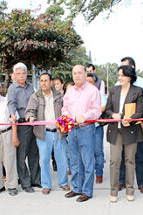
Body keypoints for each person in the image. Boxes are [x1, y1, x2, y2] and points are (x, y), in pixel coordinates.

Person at [25, 73, 70, 195]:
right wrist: (30, 117)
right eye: (41, 81)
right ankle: (46, 185)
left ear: (51, 82)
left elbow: (67, 110)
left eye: (46, 81)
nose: (43, 83)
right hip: (43, 133)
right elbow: (29, 110)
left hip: (58, 133)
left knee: (61, 160)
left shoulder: (60, 96)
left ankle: (63, 183)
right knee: (44, 160)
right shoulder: (35, 96)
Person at [105, 65, 143, 202]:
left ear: (130, 77)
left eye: (122, 75)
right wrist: (113, 115)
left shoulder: (138, 91)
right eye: (119, 75)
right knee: (114, 161)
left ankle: (130, 190)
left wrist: (131, 118)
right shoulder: (113, 90)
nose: (119, 78)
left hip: (130, 130)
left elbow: (140, 111)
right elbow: (107, 110)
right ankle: (113, 191)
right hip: (116, 130)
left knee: (130, 161)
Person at [62, 65, 101, 202]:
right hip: (72, 129)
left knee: (87, 161)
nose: (77, 76)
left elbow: (97, 111)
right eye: (74, 73)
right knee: (74, 160)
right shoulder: (70, 91)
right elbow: (64, 108)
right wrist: (67, 116)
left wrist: (85, 116)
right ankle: (77, 188)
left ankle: (87, 191)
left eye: (79, 73)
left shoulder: (93, 91)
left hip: (86, 128)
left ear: (85, 74)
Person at [7, 62, 41, 193]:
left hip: (32, 122)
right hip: (21, 123)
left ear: (27, 74)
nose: (21, 76)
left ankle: (35, 180)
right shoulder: (12, 89)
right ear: (14, 75)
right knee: (21, 156)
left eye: (23, 73)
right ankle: (25, 183)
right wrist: (13, 117)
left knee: (34, 153)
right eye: (18, 73)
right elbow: (11, 104)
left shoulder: (30, 87)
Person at [117, 57, 143, 194]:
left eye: (125, 68)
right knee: (122, 155)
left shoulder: (142, 84)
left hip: (136, 125)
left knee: (138, 156)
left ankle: (141, 183)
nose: (121, 73)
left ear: (133, 69)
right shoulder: (117, 84)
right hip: (121, 127)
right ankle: (121, 181)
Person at [87, 73, 106, 184]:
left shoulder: (99, 94)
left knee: (98, 152)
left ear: (94, 83)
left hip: (96, 127)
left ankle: (99, 173)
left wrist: (87, 113)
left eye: (90, 81)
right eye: (86, 81)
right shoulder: (81, 95)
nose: (88, 83)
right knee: (86, 152)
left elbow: (102, 108)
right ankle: (87, 173)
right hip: (84, 127)